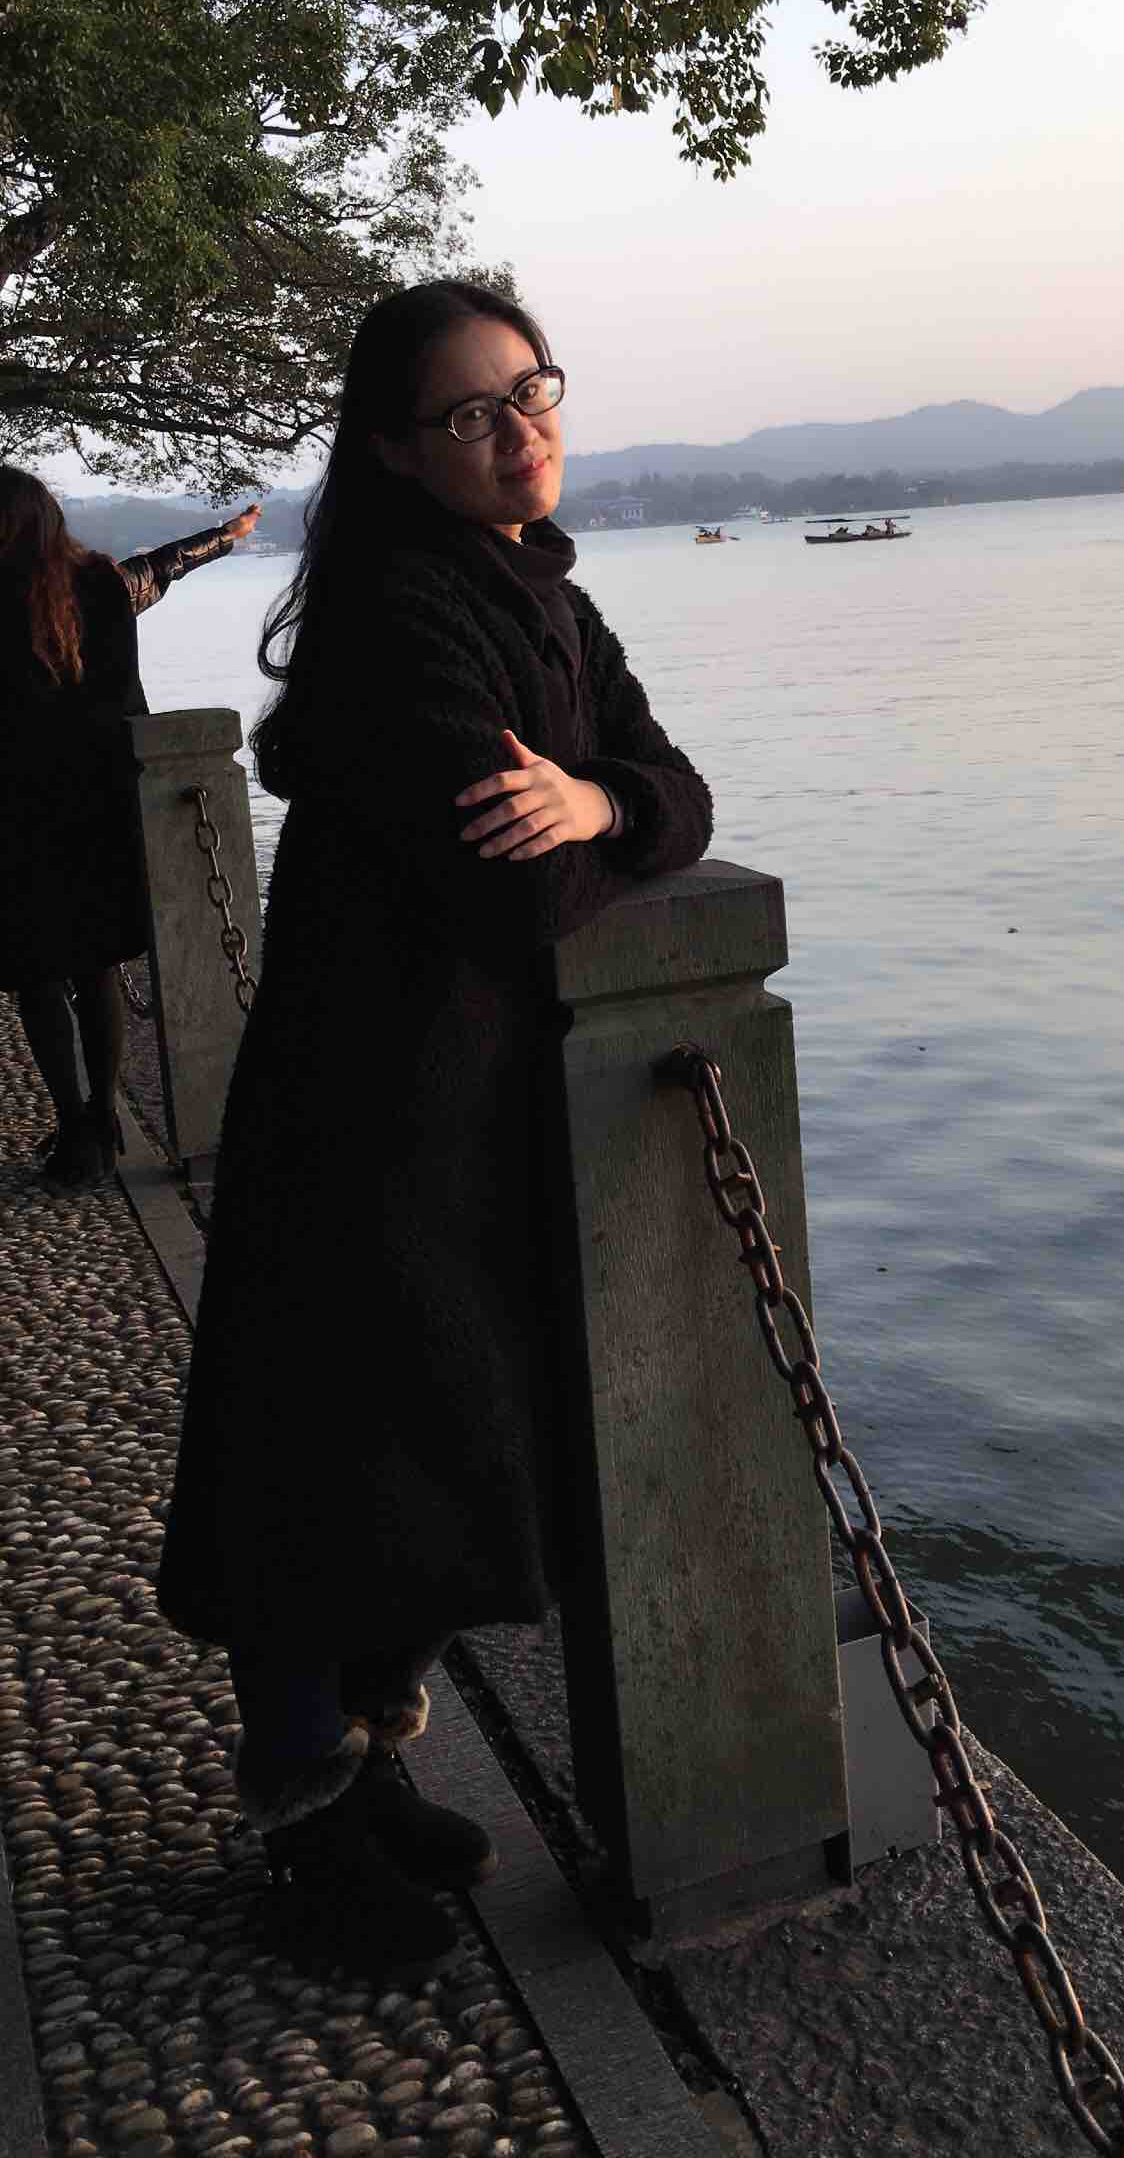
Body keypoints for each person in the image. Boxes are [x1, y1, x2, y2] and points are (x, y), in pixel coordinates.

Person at [156, 279, 713, 1980]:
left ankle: (372, 1770)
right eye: (471, 412)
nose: (518, 429)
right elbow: (520, 892)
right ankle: (303, 1820)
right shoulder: (403, 615)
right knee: (324, 1470)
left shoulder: (542, 590)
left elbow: (677, 793)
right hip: (362, 1113)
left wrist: (599, 795)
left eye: (532, 390)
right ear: (398, 450)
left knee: (426, 1465)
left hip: (460, 1112)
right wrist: (600, 825)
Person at [0, 473, 260, 1189]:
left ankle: (75, 1123)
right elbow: (162, 573)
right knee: (94, 968)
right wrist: (227, 537)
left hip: (17, 818)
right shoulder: (101, 586)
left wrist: (224, 537)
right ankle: (100, 1117)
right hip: (97, 809)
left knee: (35, 976)